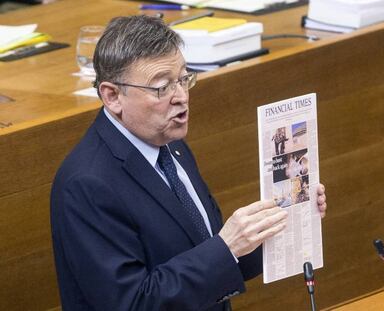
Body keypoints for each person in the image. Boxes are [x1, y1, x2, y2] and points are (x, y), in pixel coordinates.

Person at [50, 15, 327, 311]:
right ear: (113, 96)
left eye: (184, 79)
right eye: (162, 88)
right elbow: (131, 303)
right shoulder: (86, 185)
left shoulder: (170, 145)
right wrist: (226, 247)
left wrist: (286, 220)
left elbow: (207, 254)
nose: (181, 97)